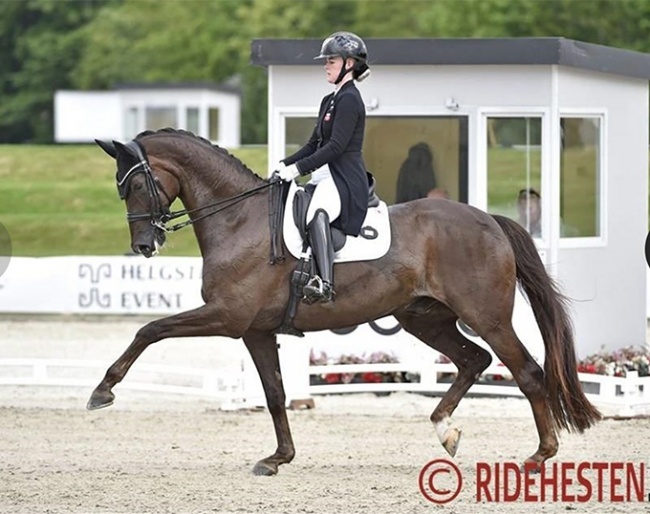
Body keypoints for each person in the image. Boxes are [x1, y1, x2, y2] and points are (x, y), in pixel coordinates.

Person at [276, 31, 372, 303]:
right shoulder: (329, 100)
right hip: (324, 175)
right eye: (326, 60)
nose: (326, 65)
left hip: (343, 179)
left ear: (349, 64)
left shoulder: (350, 98)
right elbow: (314, 144)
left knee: (316, 213)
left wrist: (298, 170)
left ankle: (324, 283)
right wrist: (285, 163)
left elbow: (336, 147)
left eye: (331, 60)